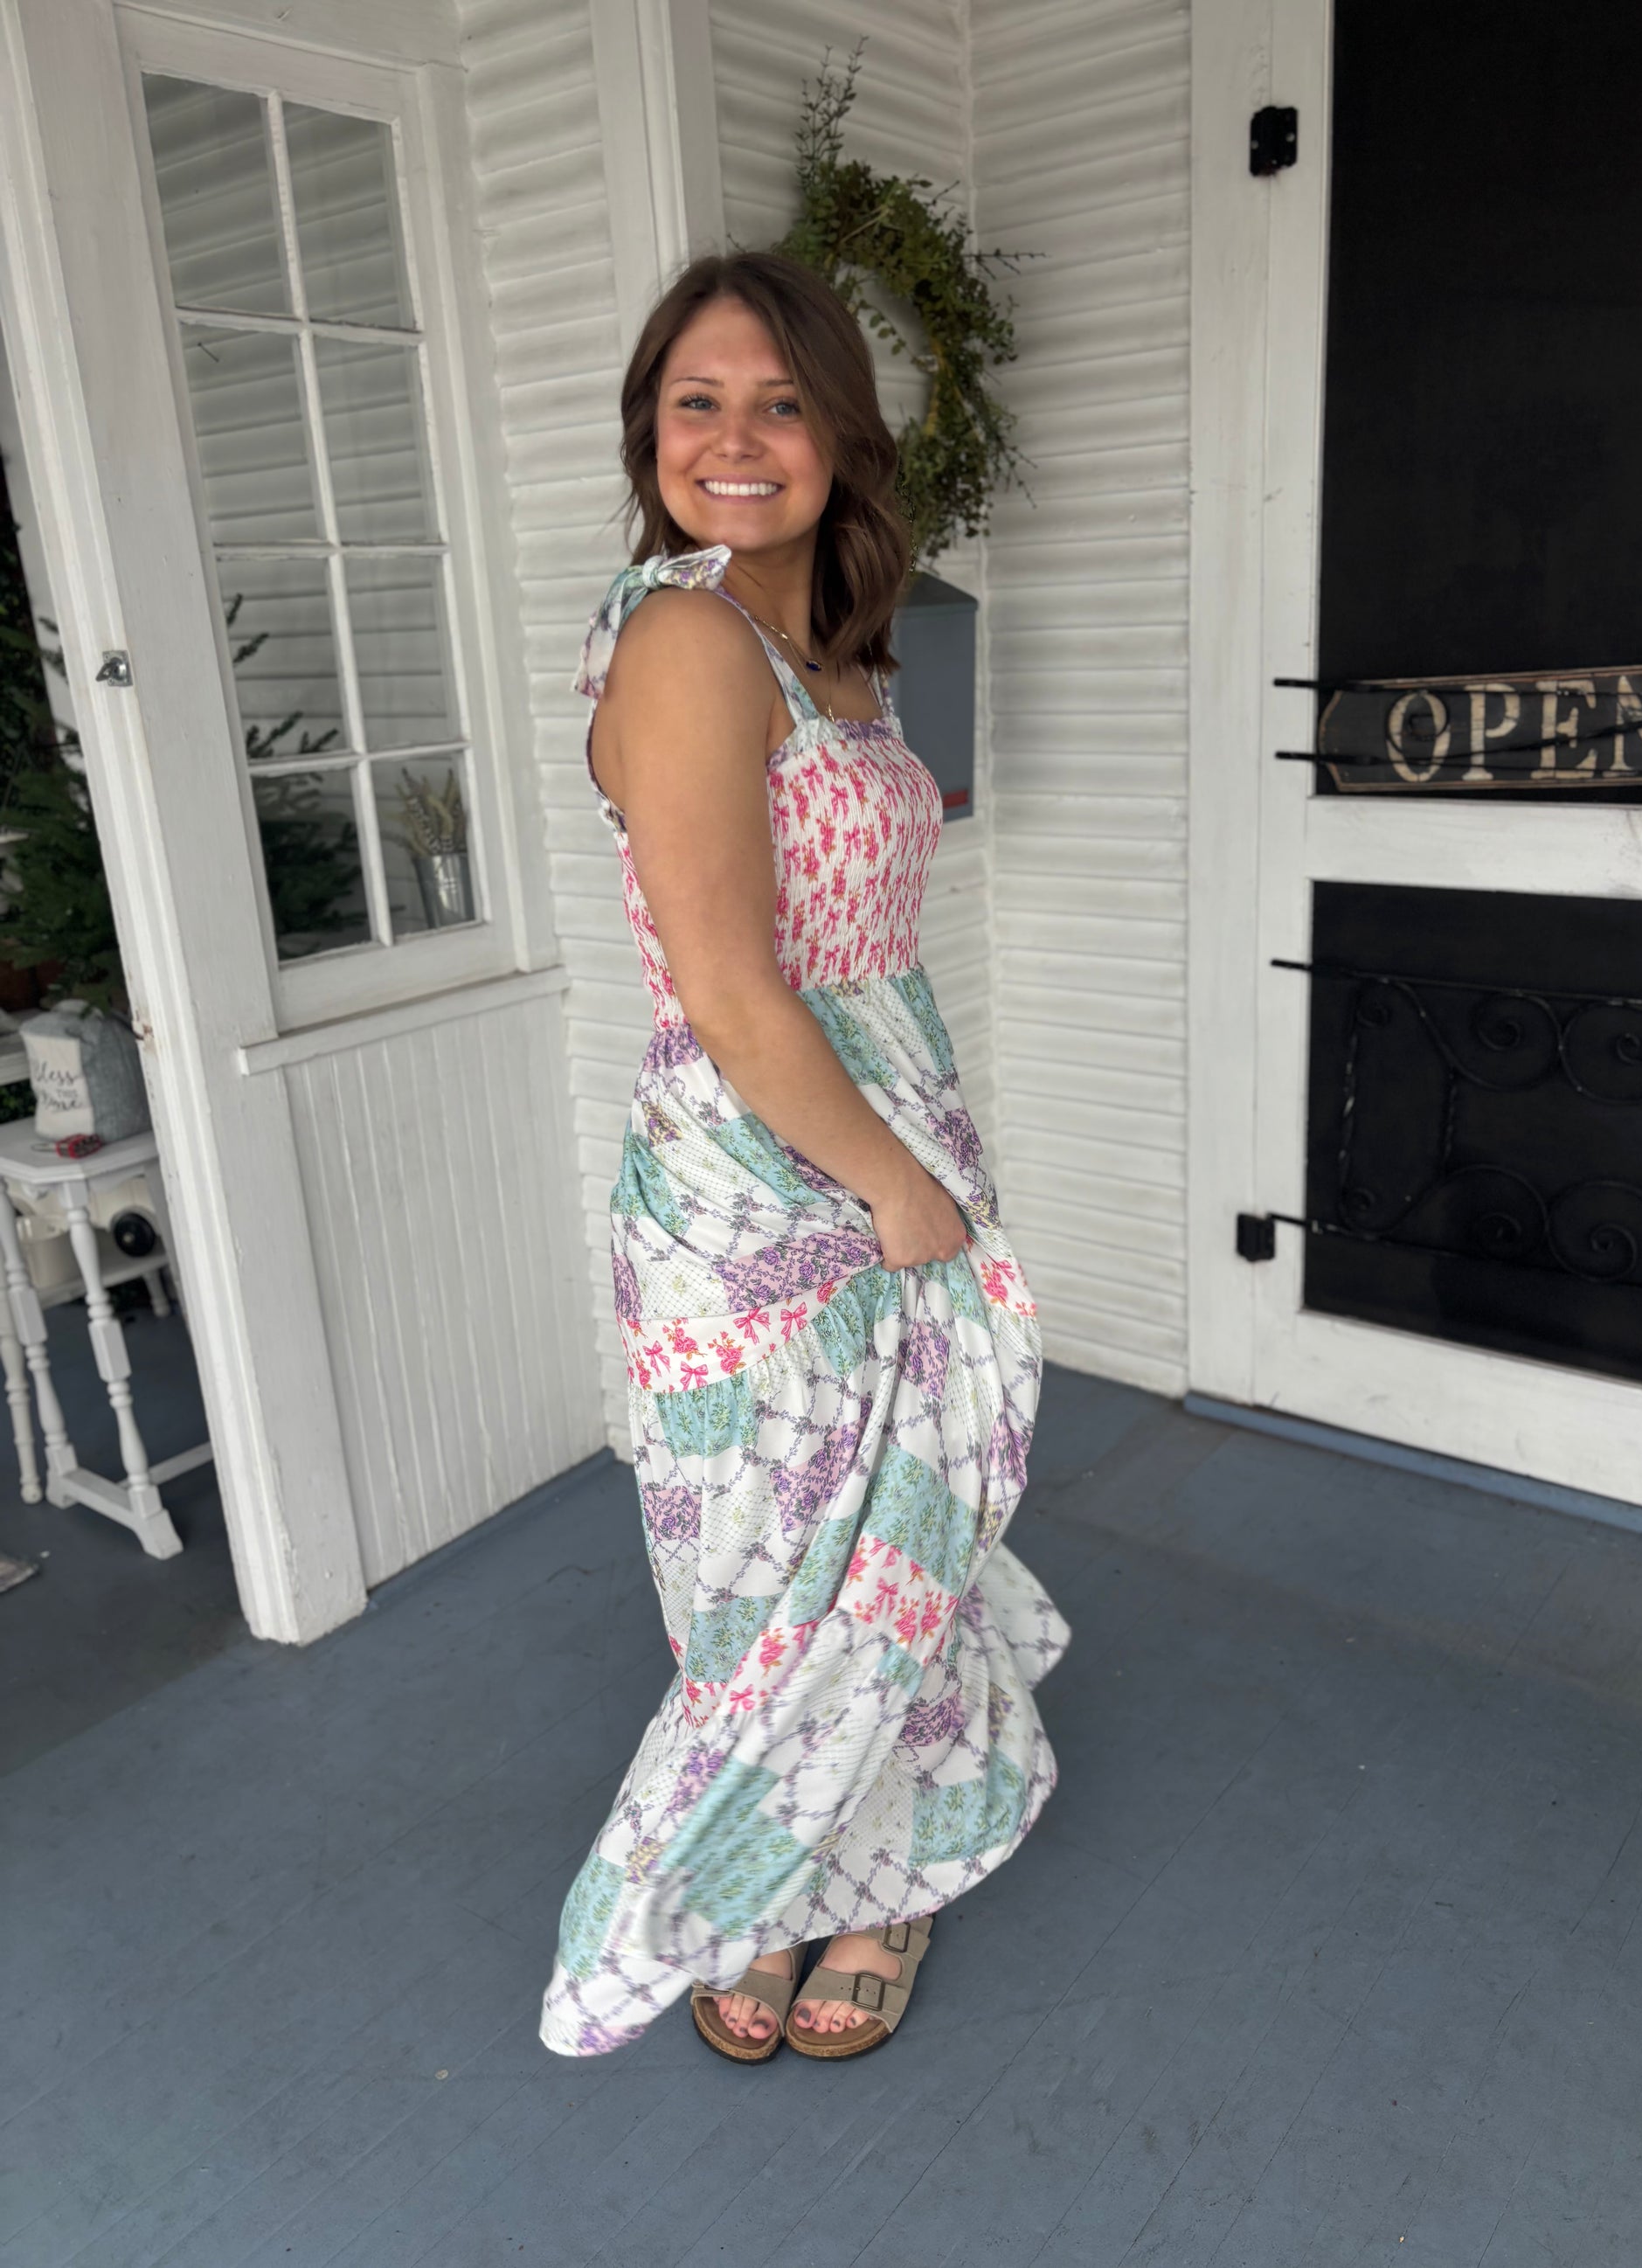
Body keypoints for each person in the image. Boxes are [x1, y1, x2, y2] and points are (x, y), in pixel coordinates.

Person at [538, 251, 1066, 2064]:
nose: (737, 439)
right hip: (760, 1178)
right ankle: (762, 1875)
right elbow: (731, 986)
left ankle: (884, 1867)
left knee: (895, 1526)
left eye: (780, 403)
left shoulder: (834, 650)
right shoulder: (685, 638)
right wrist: (895, 1187)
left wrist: (919, 1157)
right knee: (772, 1561)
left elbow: (859, 943)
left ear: (838, 436)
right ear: (650, 434)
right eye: (697, 402)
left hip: (889, 1118)